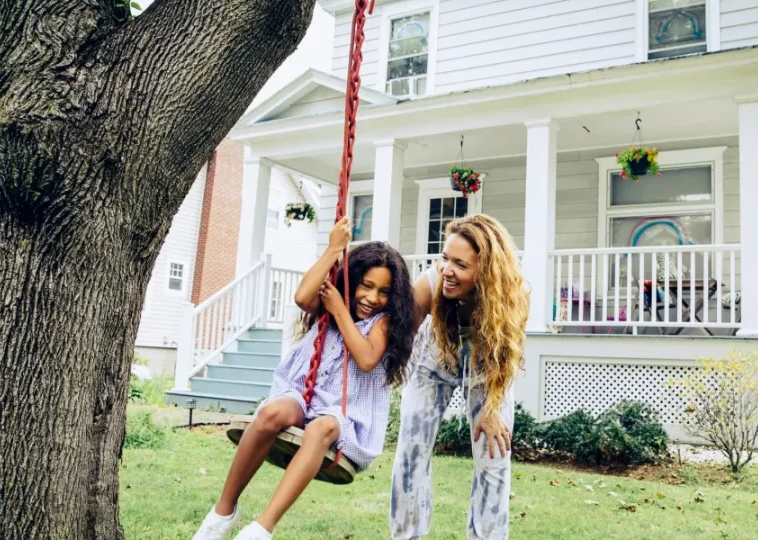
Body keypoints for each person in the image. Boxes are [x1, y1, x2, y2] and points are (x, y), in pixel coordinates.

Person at [194, 217, 416, 540]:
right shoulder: (331, 303)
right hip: (305, 394)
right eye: (366, 285)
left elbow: (367, 359)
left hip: (346, 414)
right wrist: (333, 249)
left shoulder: (382, 322)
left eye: (383, 291)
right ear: (352, 280)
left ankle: (263, 527)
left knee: (321, 428)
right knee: (270, 413)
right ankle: (223, 511)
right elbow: (302, 297)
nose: (372, 297)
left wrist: (340, 310)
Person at [390, 214, 530, 540]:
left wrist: (492, 408)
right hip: (434, 355)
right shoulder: (430, 284)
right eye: (445, 259)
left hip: (486, 366)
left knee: (495, 454)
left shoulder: (515, 292)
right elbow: (395, 338)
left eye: (460, 264)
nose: (447, 270)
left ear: (487, 269)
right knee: (411, 450)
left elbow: (506, 354)